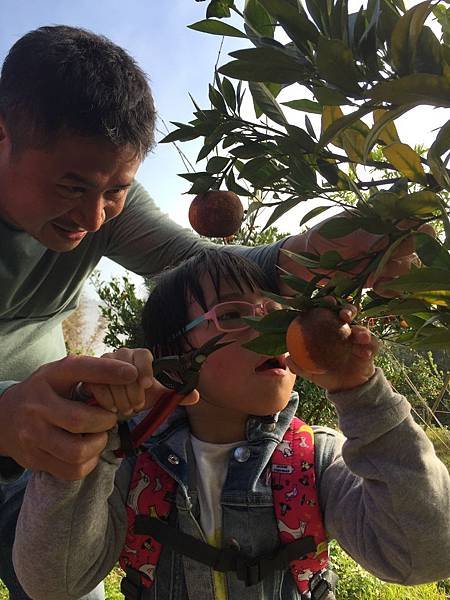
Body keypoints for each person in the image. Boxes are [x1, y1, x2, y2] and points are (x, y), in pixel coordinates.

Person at [0, 24, 427, 599]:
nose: (96, 218)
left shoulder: (309, 456)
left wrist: (300, 256)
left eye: (116, 190)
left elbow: (196, 264)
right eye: (71, 186)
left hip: (49, 430)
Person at [12, 248, 450, 600]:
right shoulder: (130, 465)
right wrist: (88, 432)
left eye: (280, 314)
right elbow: (54, 584)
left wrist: (364, 394)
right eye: (236, 316)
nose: (272, 334)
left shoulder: (315, 459)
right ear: (174, 352)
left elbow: (425, 554)